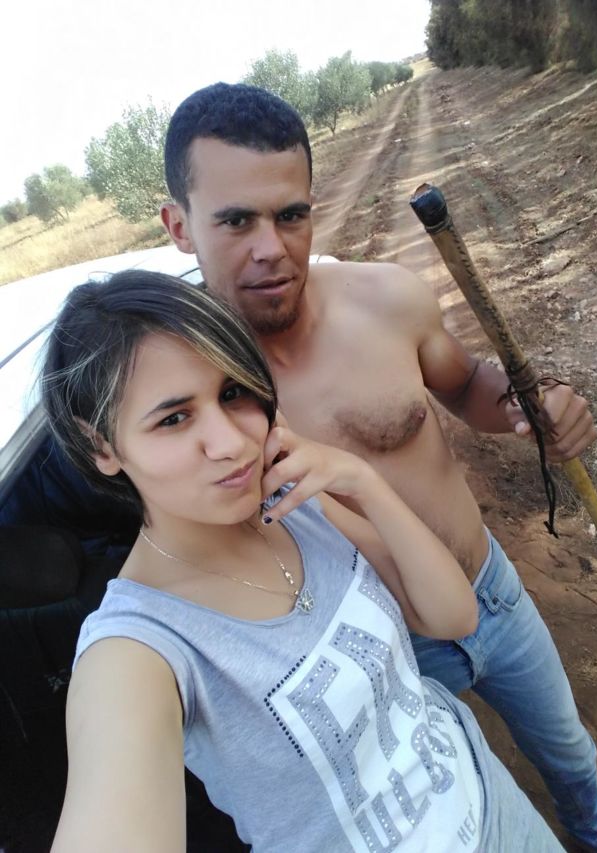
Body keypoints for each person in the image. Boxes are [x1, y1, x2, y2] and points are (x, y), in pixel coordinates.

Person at [159, 82, 597, 853]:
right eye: (236, 220)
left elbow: (466, 385)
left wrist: (534, 409)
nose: (270, 247)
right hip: (385, 649)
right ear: (180, 226)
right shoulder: (194, 401)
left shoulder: (385, 299)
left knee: (570, 751)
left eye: (290, 214)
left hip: (489, 585)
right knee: (461, 803)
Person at [44, 270, 565, 852]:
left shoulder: (294, 507)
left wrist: (361, 480)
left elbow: (452, 615)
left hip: (491, 799)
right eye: (173, 418)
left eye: (233, 393)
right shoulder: (138, 649)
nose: (231, 443)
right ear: (100, 446)